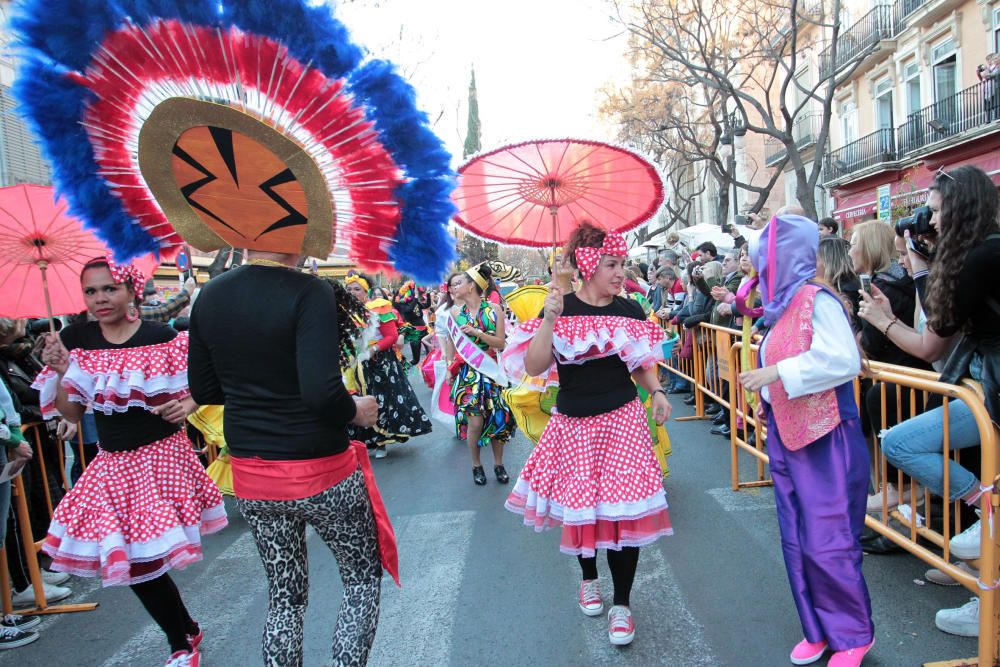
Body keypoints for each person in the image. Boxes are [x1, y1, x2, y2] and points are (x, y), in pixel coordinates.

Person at [188, 250, 396, 667]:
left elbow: (205, 389)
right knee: (360, 582)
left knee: (284, 600)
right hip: (321, 470)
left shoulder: (210, 293)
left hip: (253, 473)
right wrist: (356, 409)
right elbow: (320, 391)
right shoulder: (309, 290)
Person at [34, 256, 226, 666]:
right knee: (136, 559)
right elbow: (71, 413)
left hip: (162, 460)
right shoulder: (73, 338)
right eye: (90, 291)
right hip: (113, 464)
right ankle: (185, 633)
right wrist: (63, 368)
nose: (100, 299)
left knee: (143, 558)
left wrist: (187, 404)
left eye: (109, 288)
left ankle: (181, 640)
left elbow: (209, 379)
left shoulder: (161, 336)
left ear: (131, 291)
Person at [502, 223, 672, 647]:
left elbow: (637, 361)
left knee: (624, 513)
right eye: (612, 264)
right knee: (585, 510)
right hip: (575, 426)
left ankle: (622, 605)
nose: (620, 272)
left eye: (623, 263)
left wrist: (657, 391)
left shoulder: (631, 310)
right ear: (589, 265)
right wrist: (550, 318)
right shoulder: (561, 307)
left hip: (624, 422)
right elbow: (537, 367)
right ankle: (589, 578)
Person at [738, 214, 875, 667]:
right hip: (789, 435)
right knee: (796, 537)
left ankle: (853, 634)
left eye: (758, 255)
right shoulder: (783, 308)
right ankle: (817, 629)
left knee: (828, 539)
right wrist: (769, 394)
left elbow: (842, 360)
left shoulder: (818, 300)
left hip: (827, 438)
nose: (752, 263)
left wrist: (776, 373)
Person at [877, 166, 1000, 638]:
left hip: (988, 388)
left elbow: (932, 344)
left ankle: (985, 518)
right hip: (981, 386)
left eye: (936, 210)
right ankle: (978, 578)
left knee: (902, 443)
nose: (931, 221)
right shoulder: (983, 251)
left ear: (960, 208)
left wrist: (885, 320)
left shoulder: (981, 258)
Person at [343, 275, 432, 459]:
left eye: (356, 289)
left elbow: (391, 335)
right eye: (349, 289)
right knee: (355, 399)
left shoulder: (379, 308)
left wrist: (373, 349)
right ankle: (364, 441)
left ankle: (381, 441)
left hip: (379, 362)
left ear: (366, 292)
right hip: (355, 364)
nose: (352, 292)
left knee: (381, 400)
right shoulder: (346, 311)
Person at [444, 264, 516, 485]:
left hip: (492, 371)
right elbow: (451, 342)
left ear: (471, 285)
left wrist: (477, 333)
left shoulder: (494, 310)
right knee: (474, 423)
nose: (452, 288)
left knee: (497, 419)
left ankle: (498, 464)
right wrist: (449, 365)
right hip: (468, 374)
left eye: (458, 283)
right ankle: (476, 465)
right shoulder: (455, 314)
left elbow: (501, 343)